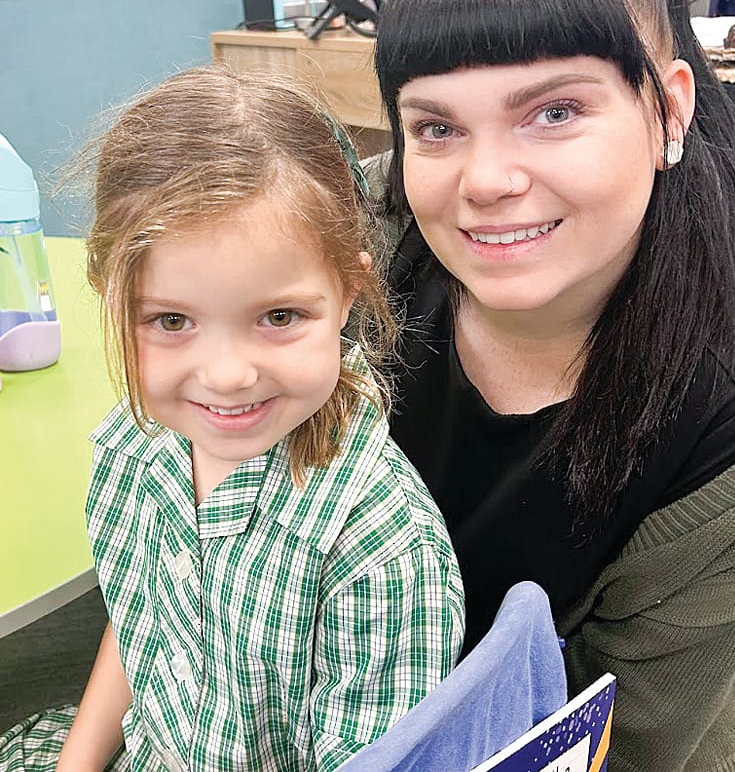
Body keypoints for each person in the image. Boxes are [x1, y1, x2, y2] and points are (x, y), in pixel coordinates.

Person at [369, 0, 735, 772]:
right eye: (438, 126)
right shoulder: (374, 240)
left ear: (670, 109)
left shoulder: (717, 423)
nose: (486, 179)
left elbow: (635, 739)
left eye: (555, 111)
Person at [0, 67, 465, 772]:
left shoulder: (378, 548)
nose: (225, 375)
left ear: (347, 291)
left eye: (278, 316)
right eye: (172, 320)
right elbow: (144, 627)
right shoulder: (142, 440)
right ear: (109, 294)